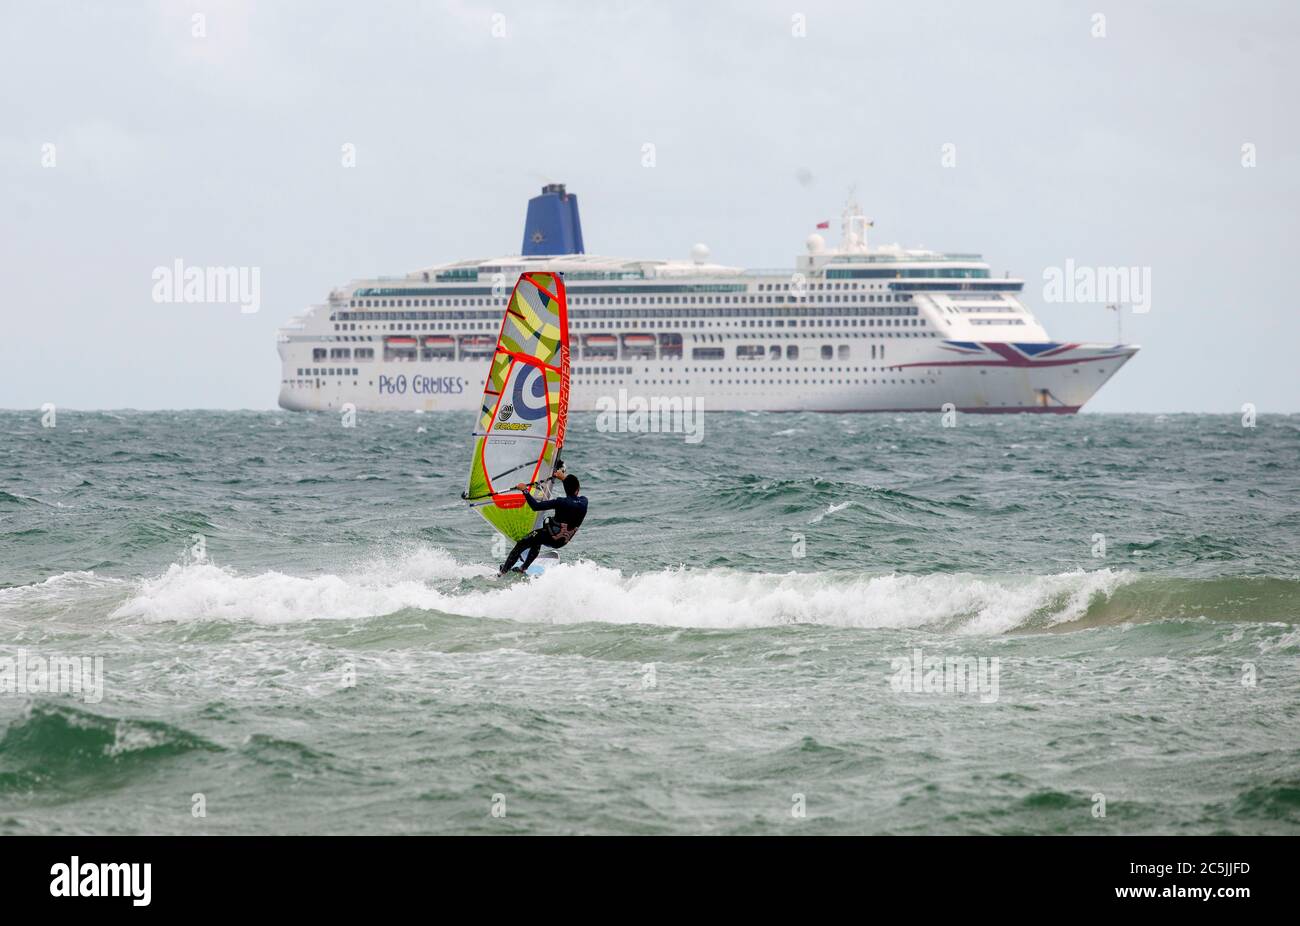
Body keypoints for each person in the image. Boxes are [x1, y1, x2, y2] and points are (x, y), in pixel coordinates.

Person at [498, 467, 588, 575]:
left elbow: (535, 506)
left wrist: (524, 490)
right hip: (562, 541)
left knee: (522, 544)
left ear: (566, 488)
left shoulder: (560, 502)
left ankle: (503, 572)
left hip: (551, 536)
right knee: (537, 538)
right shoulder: (584, 502)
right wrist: (563, 477)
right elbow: (572, 488)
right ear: (577, 489)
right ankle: (523, 568)